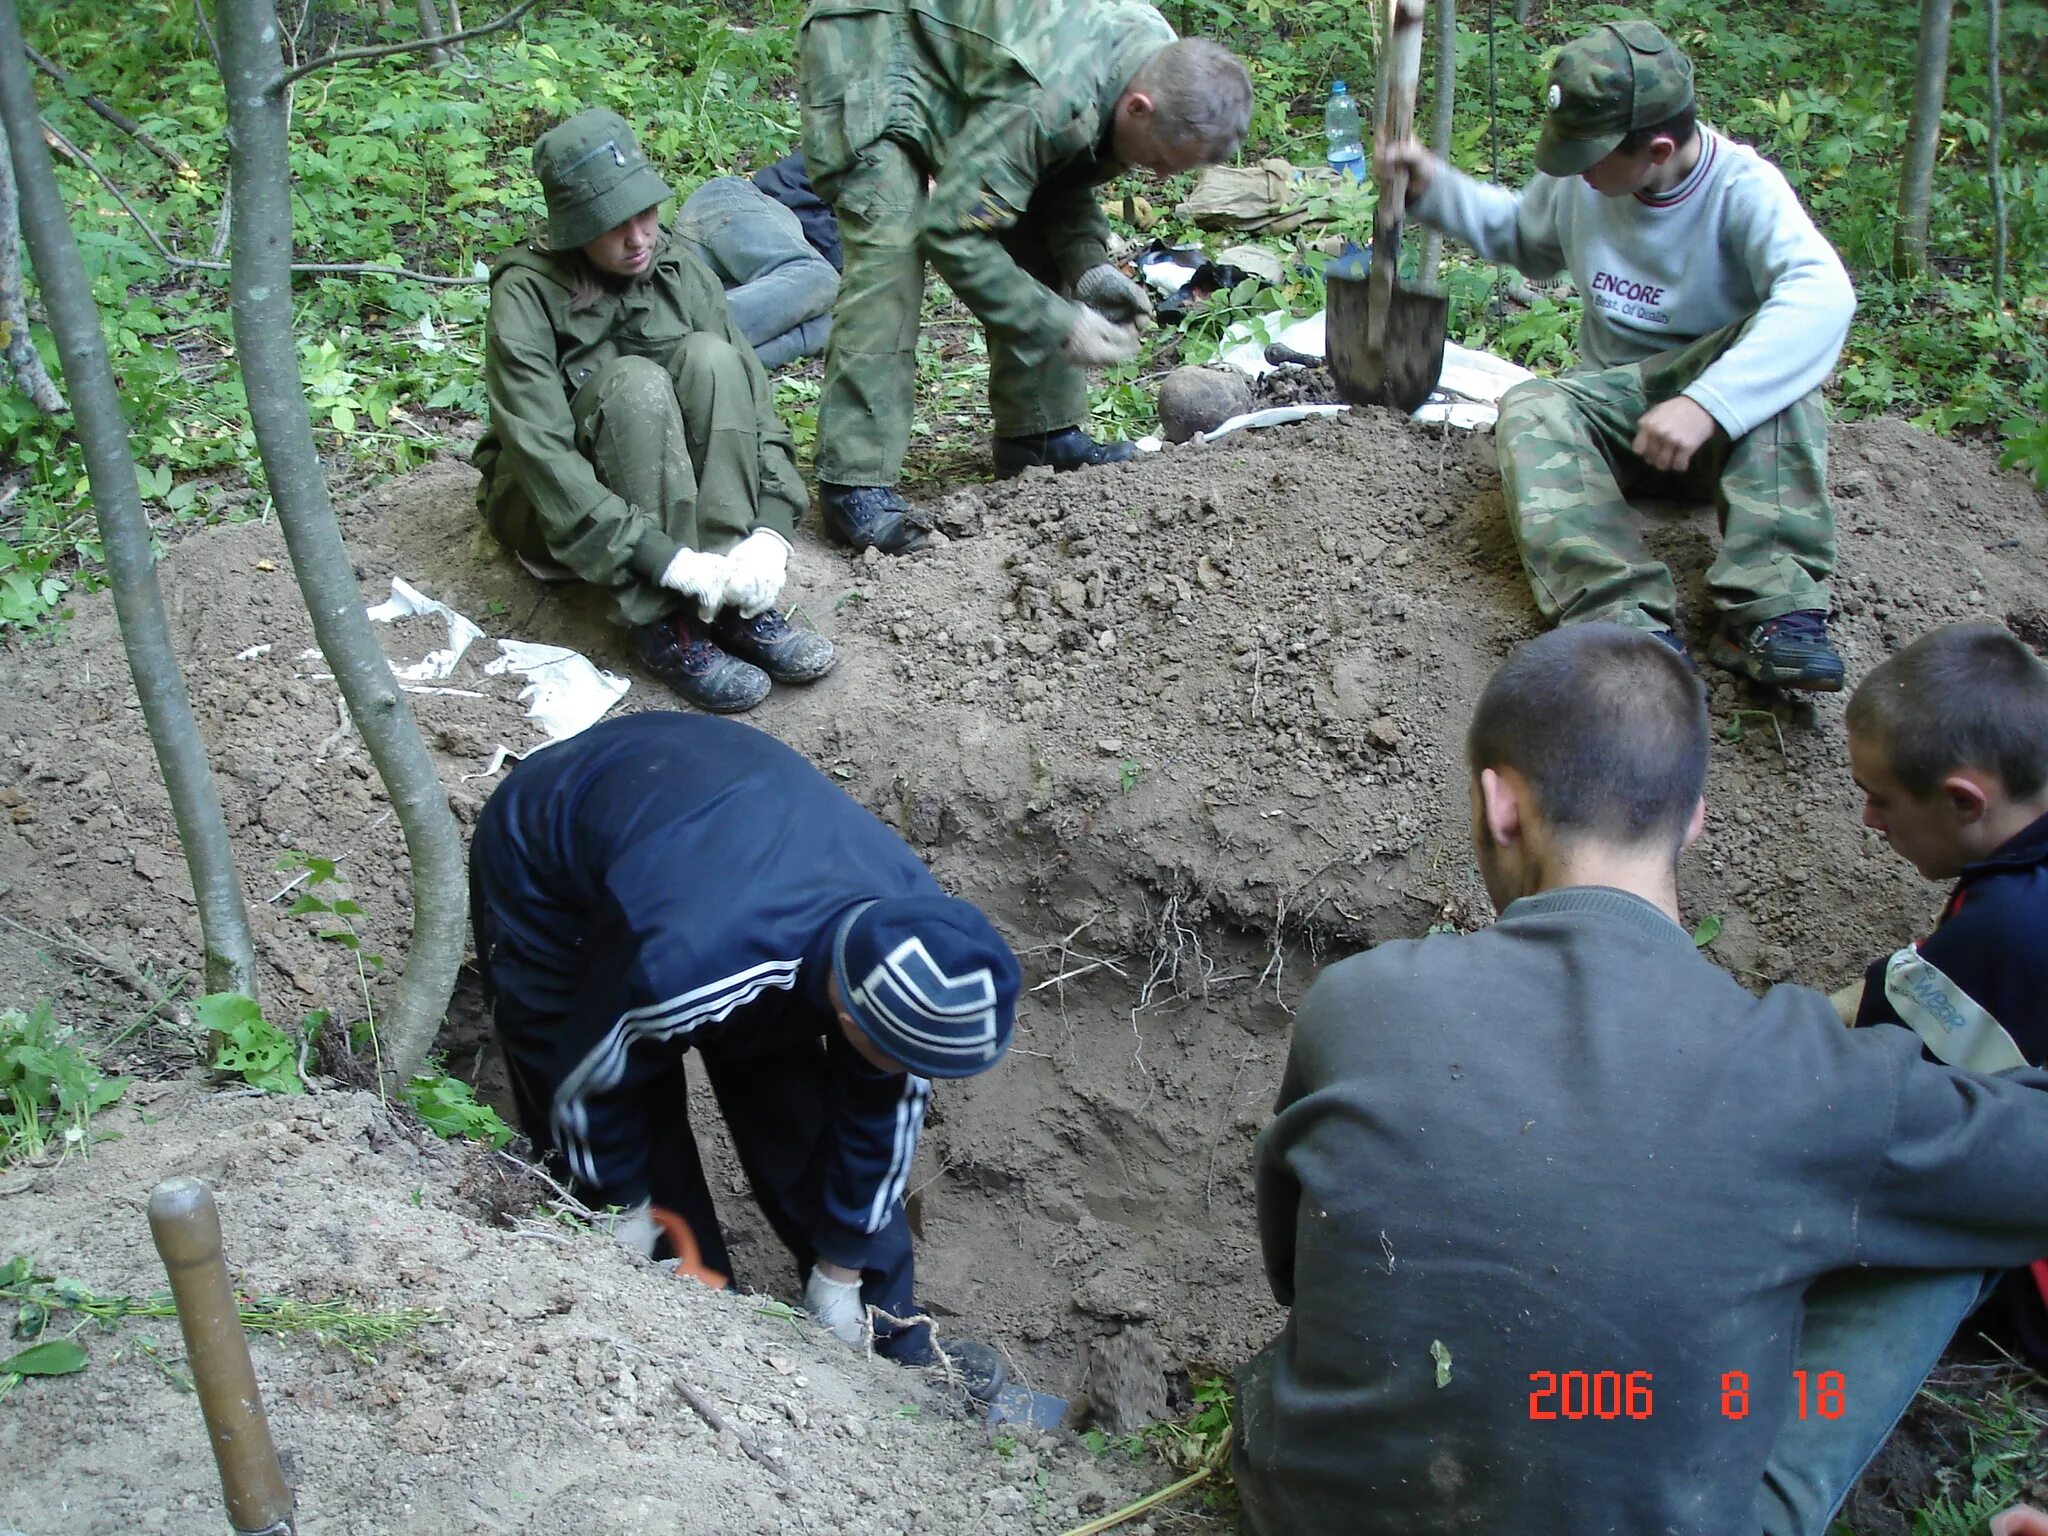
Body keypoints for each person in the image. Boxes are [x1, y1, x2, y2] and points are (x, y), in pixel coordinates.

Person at [1234, 623, 2048, 1535]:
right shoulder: (1803, 1076)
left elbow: (1292, 1272)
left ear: (1498, 806)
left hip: (1304, 1509)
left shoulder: (1355, 1002)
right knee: (1960, 1212)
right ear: (1694, 816)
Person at [470, 710, 1023, 1386]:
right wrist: (626, 1213)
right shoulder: (680, 965)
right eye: (895, 1052)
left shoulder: (917, 941)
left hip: (715, 842)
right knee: (632, 1125)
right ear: (846, 1010)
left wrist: (841, 1274)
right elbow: (590, 1082)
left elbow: (885, 1112)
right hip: (554, 856)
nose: (913, 1074)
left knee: (794, 1098)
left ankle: (888, 1339)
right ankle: (697, 1330)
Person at [1377, 20, 1856, 691]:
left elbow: (1824, 293)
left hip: (1724, 431)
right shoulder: (1586, 177)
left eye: (1592, 157)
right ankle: (1624, 620)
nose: (1575, 171)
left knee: (1786, 374)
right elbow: (1527, 236)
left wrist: (1706, 405)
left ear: (1658, 149)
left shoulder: (1744, 191)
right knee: (1531, 404)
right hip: (1616, 416)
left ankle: (1772, 613)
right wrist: (1434, 187)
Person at [798, 1, 1252, 554]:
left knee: (1025, 221)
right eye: (1161, 160)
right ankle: (855, 485)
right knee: (890, 249)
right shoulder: (1054, 94)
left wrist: (1088, 265)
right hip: (872, 37)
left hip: (968, 47)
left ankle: (1040, 436)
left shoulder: (1153, 54)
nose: (1158, 176)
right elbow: (952, 229)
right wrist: (1060, 323)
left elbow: (1057, 167)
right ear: (1138, 106)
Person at [472, 109, 834, 716]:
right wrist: (663, 562)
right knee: (634, 383)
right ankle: (661, 618)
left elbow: (754, 403)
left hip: (673, 494)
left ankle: (728, 595)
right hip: (551, 508)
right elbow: (544, 461)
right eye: (614, 225)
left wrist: (769, 528)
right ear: (573, 229)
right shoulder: (526, 294)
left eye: (644, 211)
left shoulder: (676, 268)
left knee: (713, 358)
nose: (638, 236)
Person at [1840, 622, 2048, 1365]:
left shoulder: (2009, 931)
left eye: (1881, 799)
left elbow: (1868, 1070)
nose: (1868, 820)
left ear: (1965, 800)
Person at [675, 169, 839, 368]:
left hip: (748, 289)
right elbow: (779, 181)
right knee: (818, 277)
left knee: (840, 327)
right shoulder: (870, 154)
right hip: (729, 210)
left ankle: (681, 360)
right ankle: (670, 340)